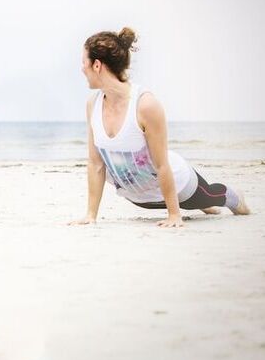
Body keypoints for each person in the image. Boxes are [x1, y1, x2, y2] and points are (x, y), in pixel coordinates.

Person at [71, 27, 250, 228]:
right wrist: (90, 215)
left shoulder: (145, 105)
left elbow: (162, 165)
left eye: (83, 62)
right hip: (139, 198)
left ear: (96, 65)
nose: (81, 68)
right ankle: (201, 205)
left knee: (207, 196)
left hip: (178, 186)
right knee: (193, 203)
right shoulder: (92, 105)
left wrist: (174, 215)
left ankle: (231, 197)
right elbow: (95, 164)